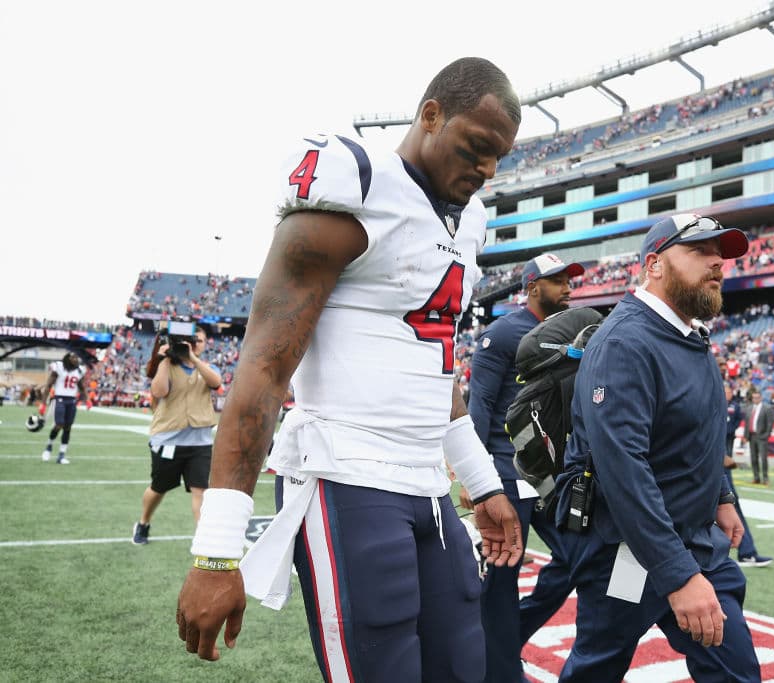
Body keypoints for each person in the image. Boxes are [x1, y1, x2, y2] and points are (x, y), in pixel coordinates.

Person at [176, 57, 523, 682]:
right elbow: (263, 366)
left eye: (499, 157)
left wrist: (485, 483)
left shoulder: (468, 219)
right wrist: (218, 550)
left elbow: (432, 367)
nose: (487, 170)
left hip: (428, 483)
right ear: (431, 114)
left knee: (463, 666)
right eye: (477, 148)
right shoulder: (356, 181)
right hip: (345, 471)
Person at [553, 213, 760, 682]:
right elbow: (621, 468)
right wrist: (677, 574)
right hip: (629, 551)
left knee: (736, 672)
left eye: (720, 255)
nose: (717, 264)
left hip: (693, 541)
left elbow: (693, 435)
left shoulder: (687, 335)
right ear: (655, 265)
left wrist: (723, 498)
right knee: (598, 667)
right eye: (700, 252)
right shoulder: (625, 341)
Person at [467, 252, 583, 682]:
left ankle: (508, 637)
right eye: (558, 280)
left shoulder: (573, 331)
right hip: (506, 474)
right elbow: (479, 405)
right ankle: (499, 671)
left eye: (569, 279)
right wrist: (476, 478)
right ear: (532, 286)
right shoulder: (501, 335)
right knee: (500, 581)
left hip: (552, 476)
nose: (568, 287)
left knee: (578, 558)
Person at [132, 324, 222, 545]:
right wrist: (164, 359)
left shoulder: (207, 367)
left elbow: (216, 383)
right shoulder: (167, 366)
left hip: (200, 441)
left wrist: (193, 357)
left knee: (201, 490)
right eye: (189, 341)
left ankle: (203, 540)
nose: (192, 345)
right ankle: (143, 522)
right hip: (168, 439)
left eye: (197, 341)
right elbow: (159, 391)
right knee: (159, 488)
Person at [724, 384, 773, 568]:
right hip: (712, 463)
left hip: (718, 463)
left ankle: (747, 551)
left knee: (731, 504)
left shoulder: (731, 407)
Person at [39, 352, 88, 464]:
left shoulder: (79, 370)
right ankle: (49, 447)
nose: (76, 359)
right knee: (59, 424)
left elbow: (81, 386)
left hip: (71, 401)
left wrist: (87, 399)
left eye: (77, 357)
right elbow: (48, 386)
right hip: (59, 399)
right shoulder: (59, 367)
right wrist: (43, 403)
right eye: (73, 357)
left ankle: (61, 455)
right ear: (68, 358)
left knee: (68, 427)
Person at [743, 389, 774, 485]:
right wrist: (745, 436)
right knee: (753, 458)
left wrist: (766, 435)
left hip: (761, 436)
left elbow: (770, 423)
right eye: (754, 398)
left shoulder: (767, 408)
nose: (755, 399)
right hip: (752, 436)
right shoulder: (749, 408)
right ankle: (756, 477)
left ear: (761, 398)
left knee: (763, 458)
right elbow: (747, 423)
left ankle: (765, 478)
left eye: (757, 397)